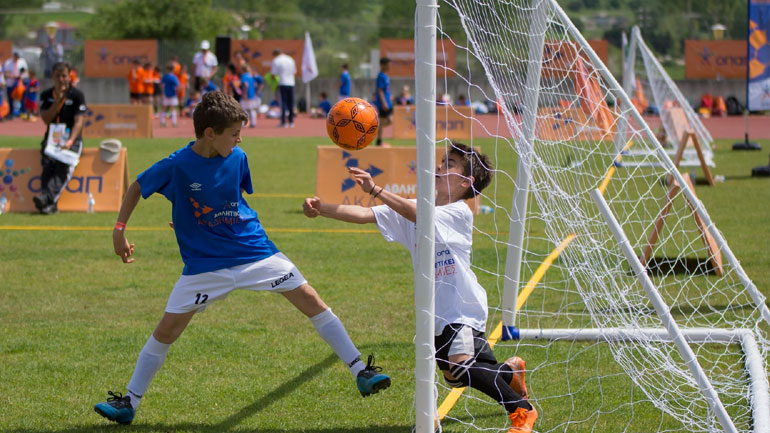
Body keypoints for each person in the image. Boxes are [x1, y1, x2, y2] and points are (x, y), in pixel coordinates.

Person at [93, 91, 391, 425]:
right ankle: (128, 402)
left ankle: (360, 371)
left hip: (255, 252)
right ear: (210, 133)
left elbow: (231, 199)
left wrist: (196, 217)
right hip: (204, 266)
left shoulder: (238, 157)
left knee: (311, 301)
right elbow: (136, 186)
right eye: (234, 133)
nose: (239, 138)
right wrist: (119, 229)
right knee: (167, 331)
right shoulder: (176, 165)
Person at [302, 142, 538, 433]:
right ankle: (509, 372)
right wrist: (320, 208)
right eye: (441, 161)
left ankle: (522, 411)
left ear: (466, 182)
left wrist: (376, 189)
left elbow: (420, 216)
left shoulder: (459, 212)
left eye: (449, 164)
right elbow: (367, 214)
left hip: (460, 306)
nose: (439, 167)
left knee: (462, 366)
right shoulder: (416, 208)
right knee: (455, 376)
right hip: (435, 312)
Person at [33, 62, 86, 215]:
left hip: (71, 140)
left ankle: (46, 199)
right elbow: (46, 119)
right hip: (51, 139)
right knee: (48, 166)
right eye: (58, 76)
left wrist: (70, 141)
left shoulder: (77, 95)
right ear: (53, 77)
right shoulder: (46, 95)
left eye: (64, 76)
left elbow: (79, 122)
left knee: (63, 166)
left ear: (70, 77)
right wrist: (58, 101)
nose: (61, 79)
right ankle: (49, 204)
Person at [270, 48, 296, 128]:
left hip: (282, 83)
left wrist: (273, 79)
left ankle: (283, 122)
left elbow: (273, 74)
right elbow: (295, 72)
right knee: (291, 103)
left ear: (275, 54)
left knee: (283, 103)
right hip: (291, 83)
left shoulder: (276, 60)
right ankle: (291, 121)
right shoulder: (290, 59)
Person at [373, 57, 392, 147]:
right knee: (387, 120)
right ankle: (379, 141)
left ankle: (375, 131)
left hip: (387, 102)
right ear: (382, 65)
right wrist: (384, 102)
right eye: (388, 64)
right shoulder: (380, 76)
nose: (389, 66)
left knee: (389, 121)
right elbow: (380, 90)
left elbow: (386, 90)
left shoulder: (385, 76)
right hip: (383, 104)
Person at [4, 51, 29, 119]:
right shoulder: (8, 63)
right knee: (11, 99)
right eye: (16, 56)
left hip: (20, 84)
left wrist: (22, 77)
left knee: (23, 98)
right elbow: (6, 74)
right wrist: (13, 76)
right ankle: (11, 113)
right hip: (11, 84)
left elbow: (26, 72)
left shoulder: (22, 62)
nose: (17, 58)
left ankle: (23, 112)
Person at [160, 63, 180, 127]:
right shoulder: (173, 77)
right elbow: (178, 86)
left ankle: (162, 122)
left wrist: (162, 93)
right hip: (173, 94)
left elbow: (162, 85)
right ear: (173, 69)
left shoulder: (165, 77)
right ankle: (174, 123)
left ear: (167, 69)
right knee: (173, 108)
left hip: (166, 94)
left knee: (164, 108)